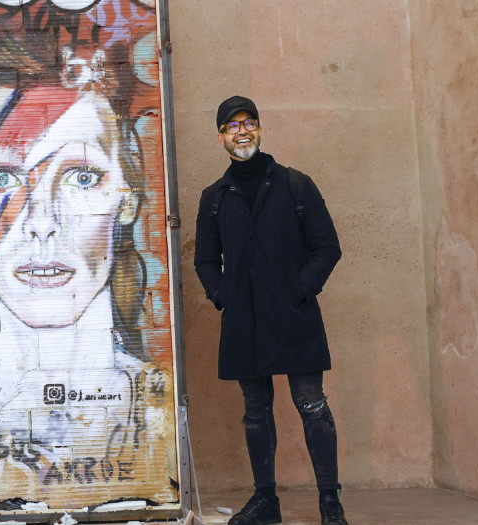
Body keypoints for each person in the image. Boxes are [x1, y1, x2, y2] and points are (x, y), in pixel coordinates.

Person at [0, 57, 175, 509]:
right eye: (1, 178)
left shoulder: (159, 405)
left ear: (125, 197)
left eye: (82, 177)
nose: (40, 223)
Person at [193, 96, 348, 525]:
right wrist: (223, 295)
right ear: (221, 137)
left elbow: (327, 248)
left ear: (259, 129)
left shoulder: (296, 185)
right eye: (231, 126)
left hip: (295, 318)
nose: (241, 132)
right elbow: (205, 260)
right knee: (255, 411)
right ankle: (266, 502)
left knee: (312, 405)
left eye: (249, 123)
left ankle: (330, 505)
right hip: (244, 321)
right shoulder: (214, 198)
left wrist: (300, 289)